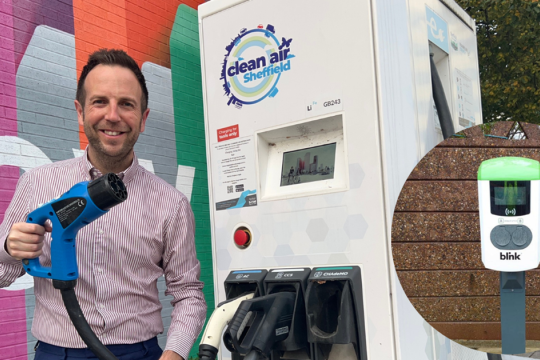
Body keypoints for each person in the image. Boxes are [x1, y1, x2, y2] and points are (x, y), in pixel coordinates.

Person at [0, 49, 206, 360]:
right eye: (100, 102)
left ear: (143, 118)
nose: (113, 116)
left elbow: (189, 293)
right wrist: (7, 247)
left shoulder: (171, 203)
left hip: (141, 353)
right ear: (80, 111)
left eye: (127, 104)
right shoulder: (37, 183)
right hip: (58, 354)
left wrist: (175, 354)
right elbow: (3, 272)